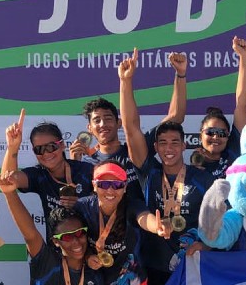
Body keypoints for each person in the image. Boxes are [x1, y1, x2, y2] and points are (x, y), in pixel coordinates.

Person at [119, 48, 215, 285]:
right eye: (163, 143)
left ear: (185, 145)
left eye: (175, 142)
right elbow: (131, 128)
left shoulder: (202, 177)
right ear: (156, 147)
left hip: (195, 267)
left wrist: (207, 244)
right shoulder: (148, 172)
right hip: (155, 269)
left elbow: (221, 223)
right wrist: (126, 82)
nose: (169, 148)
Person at [75, 161, 171, 285]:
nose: (110, 190)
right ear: (93, 185)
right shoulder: (82, 207)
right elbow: (72, 240)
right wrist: (86, 258)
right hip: (98, 282)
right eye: (103, 184)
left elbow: (144, 218)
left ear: (125, 187)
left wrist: (158, 227)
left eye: (117, 185)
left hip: (132, 282)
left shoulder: (132, 204)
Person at [68, 51, 187, 199]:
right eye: (97, 120)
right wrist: (74, 165)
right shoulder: (86, 163)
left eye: (108, 118)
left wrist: (180, 74)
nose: (103, 124)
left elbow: (176, 117)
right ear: (90, 129)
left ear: (119, 123)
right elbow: (79, 203)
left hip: (142, 220)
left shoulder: (136, 148)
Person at [3, 109, 95, 242]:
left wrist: (81, 204)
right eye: (39, 149)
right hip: (57, 251)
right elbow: (8, 180)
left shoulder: (86, 170)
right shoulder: (39, 175)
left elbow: (107, 202)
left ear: (62, 145)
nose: (46, 154)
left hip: (88, 250)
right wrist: (12, 147)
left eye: (51, 147)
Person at [190, 36, 246, 179]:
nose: (216, 137)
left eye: (222, 133)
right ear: (201, 135)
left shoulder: (233, 151)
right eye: (210, 132)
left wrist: (244, 57)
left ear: (229, 136)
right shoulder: (190, 169)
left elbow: (242, 105)